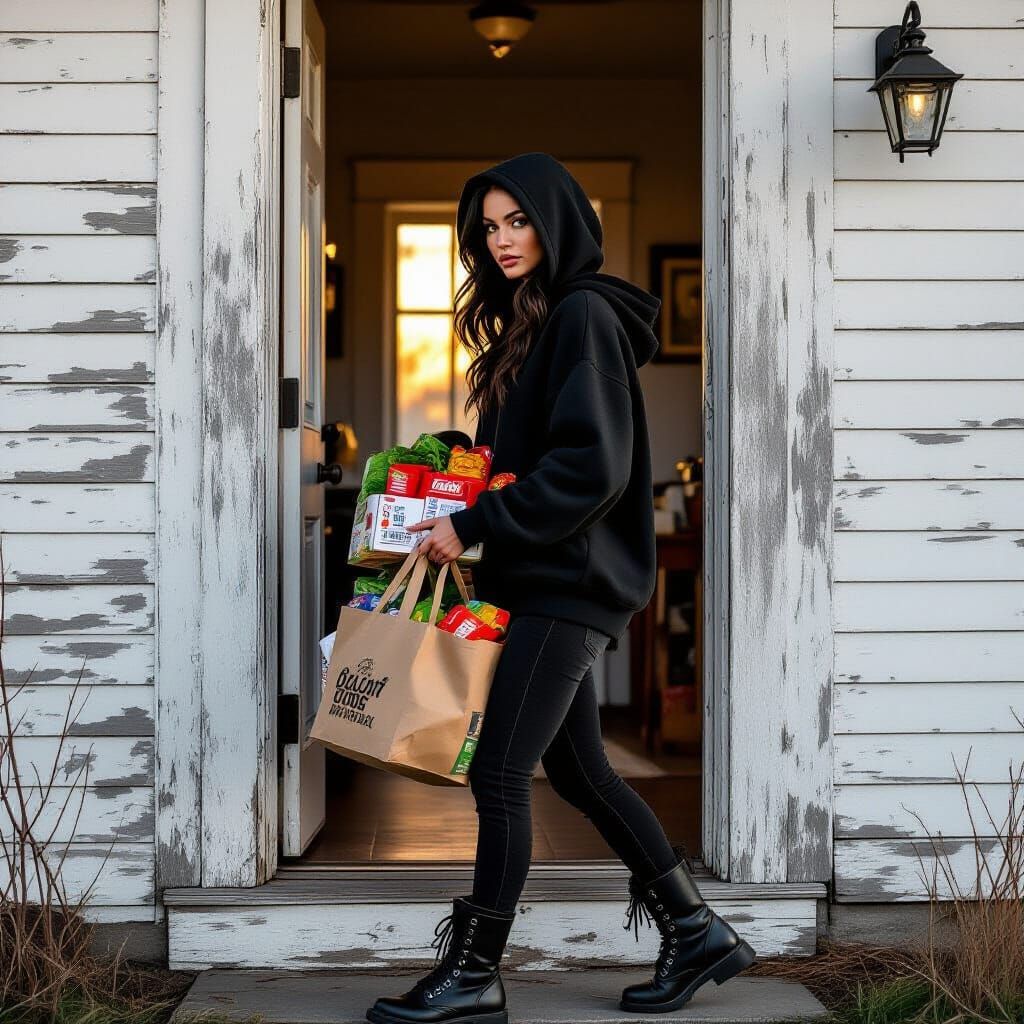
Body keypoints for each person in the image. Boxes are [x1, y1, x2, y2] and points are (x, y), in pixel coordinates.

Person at [365, 153, 754, 1024]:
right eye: (490, 227)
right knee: (579, 773)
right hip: (538, 578)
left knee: (500, 772)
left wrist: (472, 526)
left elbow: (592, 468)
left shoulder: (581, 313)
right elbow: (530, 464)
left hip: (565, 584)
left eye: (519, 221)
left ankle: (473, 974)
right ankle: (696, 932)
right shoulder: (532, 327)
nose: (502, 240)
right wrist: (454, 489)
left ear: (558, 221)